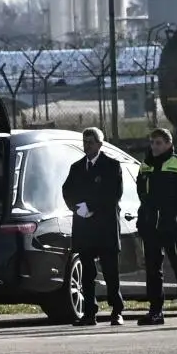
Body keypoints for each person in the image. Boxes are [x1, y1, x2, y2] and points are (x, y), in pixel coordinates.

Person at [135, 124, 177, 325]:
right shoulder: (145, 165)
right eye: (152, 143)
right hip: (151, 226)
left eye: (158, 143)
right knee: (152, 269)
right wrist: (144, 219)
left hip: (173, 227)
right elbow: (141, 194)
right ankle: (156, 311)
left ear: (168, 144)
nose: (154, 147)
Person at [61, 125, 128, 326]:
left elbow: (113, 194)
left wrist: (92, 207)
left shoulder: (111, 166)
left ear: (100, 144)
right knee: (87, 273)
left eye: (91, 142)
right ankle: (89, 313)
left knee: (110, 272)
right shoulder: (77, 167)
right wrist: (77, 207)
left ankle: (117, 310)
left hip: (105, 227)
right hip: (85, 228)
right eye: (85, 142)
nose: (87, 145)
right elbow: (67, 191)